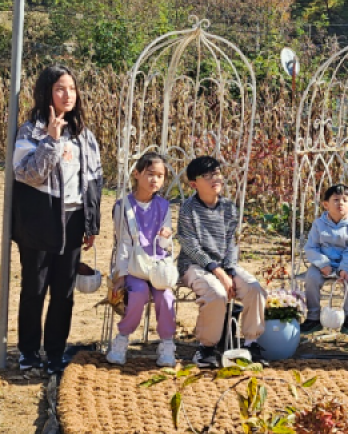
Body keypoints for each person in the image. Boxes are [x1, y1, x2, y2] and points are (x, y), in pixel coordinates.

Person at [12, 64, 102, 375]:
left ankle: (54, 353)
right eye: (60, 89)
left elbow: (94, 179)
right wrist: (51, 140)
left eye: (72, 89)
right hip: (39, 219)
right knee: (35, 288)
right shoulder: (30, 131)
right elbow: (28, 174)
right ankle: (28, 353)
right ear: (46, 92)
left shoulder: (84, 135)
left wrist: (91, 223)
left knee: (64, 290)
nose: (68, 95)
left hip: (73, 218)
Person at [178, 156, 266, 368]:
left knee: (255, 289)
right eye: (206, 176)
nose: (214, 179)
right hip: (194, 265)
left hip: (224, 266)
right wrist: (220, 273)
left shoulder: (228, 207)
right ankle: (206, 349)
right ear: (194, 184)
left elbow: (232, 243)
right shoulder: (188, 209)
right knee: (216, 293)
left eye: (216, 174)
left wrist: (230, 270)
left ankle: (251, 343)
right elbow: (191, 246)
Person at [106, 152, 177, 367]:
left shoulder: (163, 206)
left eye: (160, 176)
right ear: (137, 174)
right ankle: (122, 338)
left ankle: (166, 343)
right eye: (149, 174)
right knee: (137, 294)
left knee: (165, 297)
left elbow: (165, 246)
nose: (154, 180)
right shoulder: (123, 206)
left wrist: (166, 239)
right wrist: (120, 274)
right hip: (134, 266)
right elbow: (123, 243)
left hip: (157, 265)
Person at [300, 183, 348, 336]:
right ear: (326, 204)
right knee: (312, 277)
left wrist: (344, 268)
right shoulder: (319, 224)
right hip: (322, 263)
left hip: (345, 264)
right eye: (335, 199)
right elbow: (311, 248)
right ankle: (313, 317)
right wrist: (322, 264)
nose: (340, 203)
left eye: (344, 200)